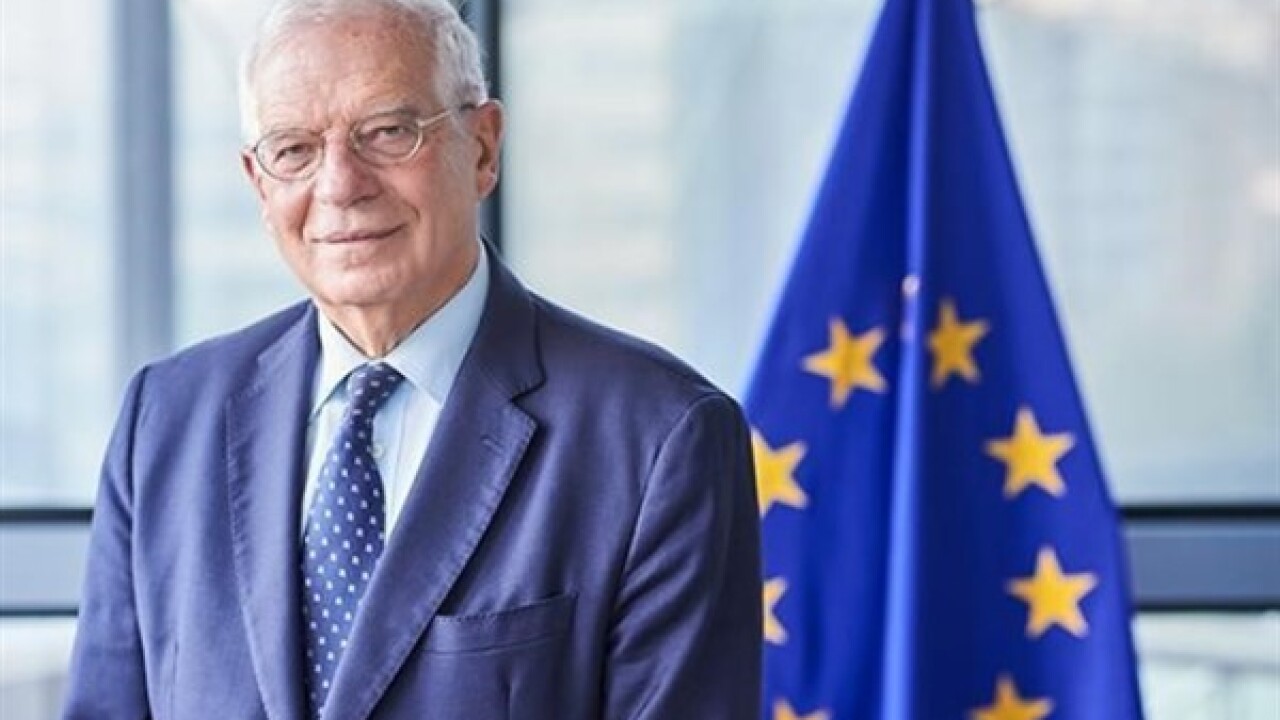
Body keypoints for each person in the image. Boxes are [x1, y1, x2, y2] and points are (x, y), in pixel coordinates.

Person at [62, 0, 761, 717]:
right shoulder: (166, 419)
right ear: (259, 183)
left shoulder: (658, 438)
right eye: (294, 149)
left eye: (388, 132)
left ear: (483, 147)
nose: (340, 185)